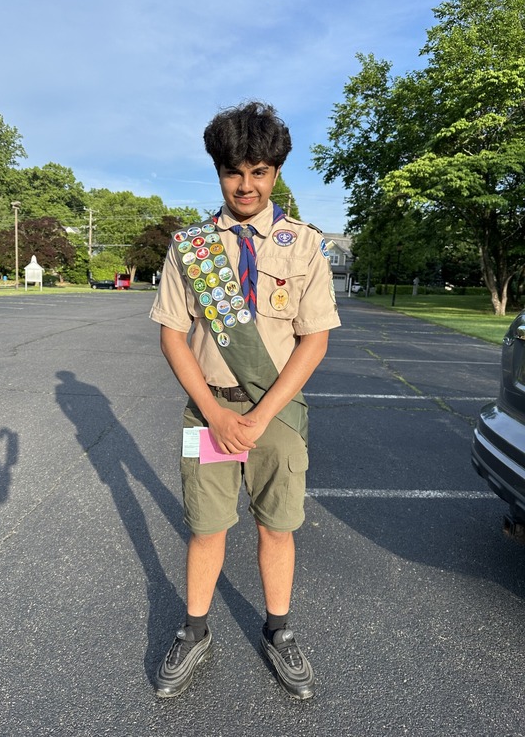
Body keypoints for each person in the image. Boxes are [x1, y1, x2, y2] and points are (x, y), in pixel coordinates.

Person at [149, 101, 341, 700]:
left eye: (259, 171)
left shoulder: (304, 245)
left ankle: (279, 632)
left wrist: (256, 417)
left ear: (276, 173)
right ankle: (195, 630)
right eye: (235, 171)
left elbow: (314, 343)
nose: (246, 184)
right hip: (208, 409)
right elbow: (171, 335)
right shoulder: (192, 248)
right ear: (218, 171)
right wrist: (214, 412)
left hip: (274, 411)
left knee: (277, 528)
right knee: (206, 528)